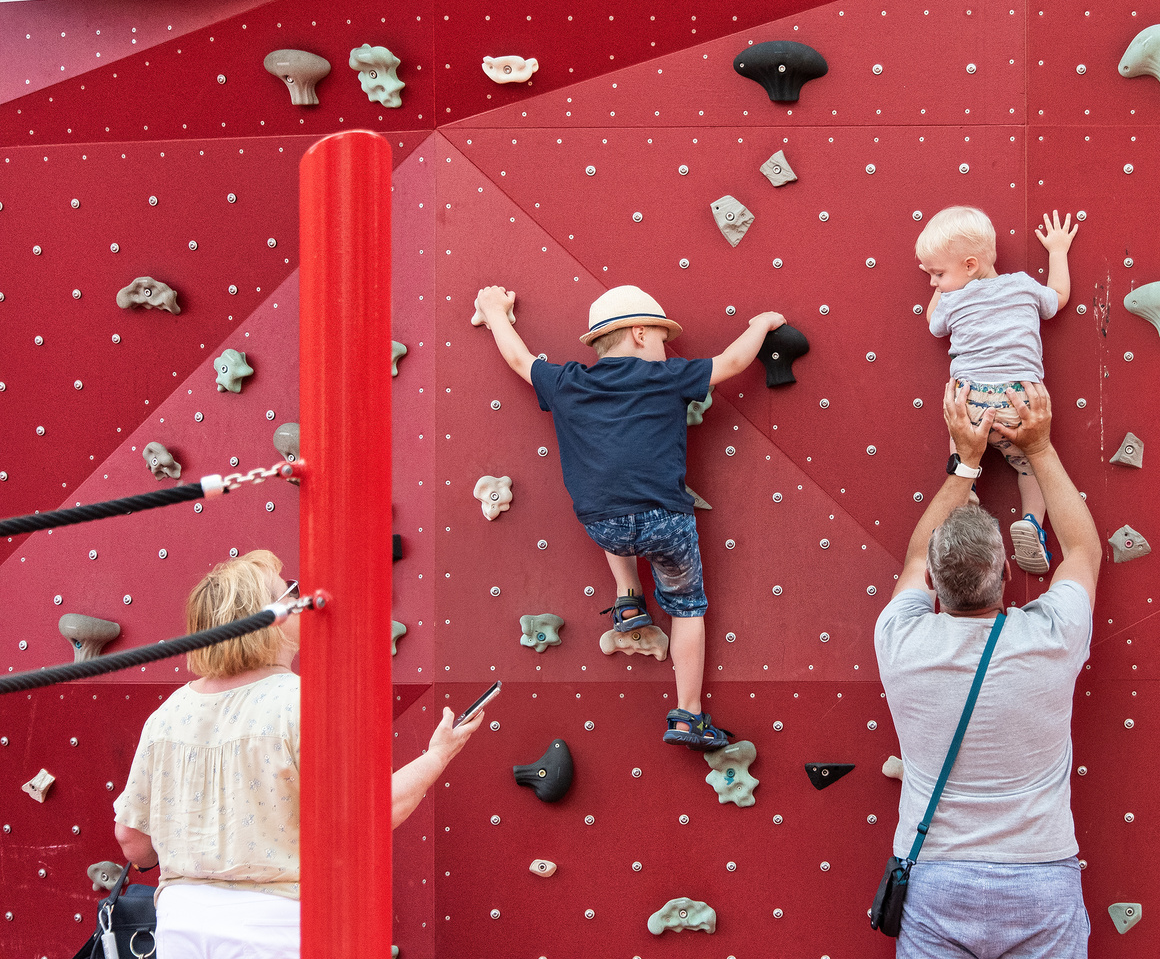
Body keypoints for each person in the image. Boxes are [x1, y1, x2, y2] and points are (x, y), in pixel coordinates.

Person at [111, 549, 483, 959]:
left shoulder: (166, 715)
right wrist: (436, 757)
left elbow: (132, 841)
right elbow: (367, 817)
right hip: (275, 928)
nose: (301, 598)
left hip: (181, 924)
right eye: (291, 591)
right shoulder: (304, 702)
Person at [473, 282, 783, 749]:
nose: (666, 348)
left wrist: (495, 311)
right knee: (687, 610)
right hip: (667, 524)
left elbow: (520, 360)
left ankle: (629, 597)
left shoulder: (568, 382)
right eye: (662, 338)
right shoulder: (669, 377)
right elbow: (734, 363)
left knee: (612, 514)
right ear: (640, 334)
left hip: (603, 524)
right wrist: (761, 323)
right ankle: (689, 715)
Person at [875, 381, 1104, 959]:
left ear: (933, 583)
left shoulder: (900, 640)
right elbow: (1082, 552)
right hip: (1039, 881)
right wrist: (1042, 448)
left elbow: (911, 559)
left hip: (935, 881)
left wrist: (965, 464)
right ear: (1006, 577)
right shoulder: (1049, 636)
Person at [918, 205, 1077, 573]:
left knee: (960, 453)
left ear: (970, 266)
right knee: (1030, 466)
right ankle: (1032, 524)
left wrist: (943, 289)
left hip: (969, 400)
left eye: (937, 274)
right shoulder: (1022, 285)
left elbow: (932, 323)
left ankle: (966, 497)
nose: (933, 283)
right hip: (1018, 401)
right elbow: (1058, 297)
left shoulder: (953, 300)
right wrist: (1056, 251)